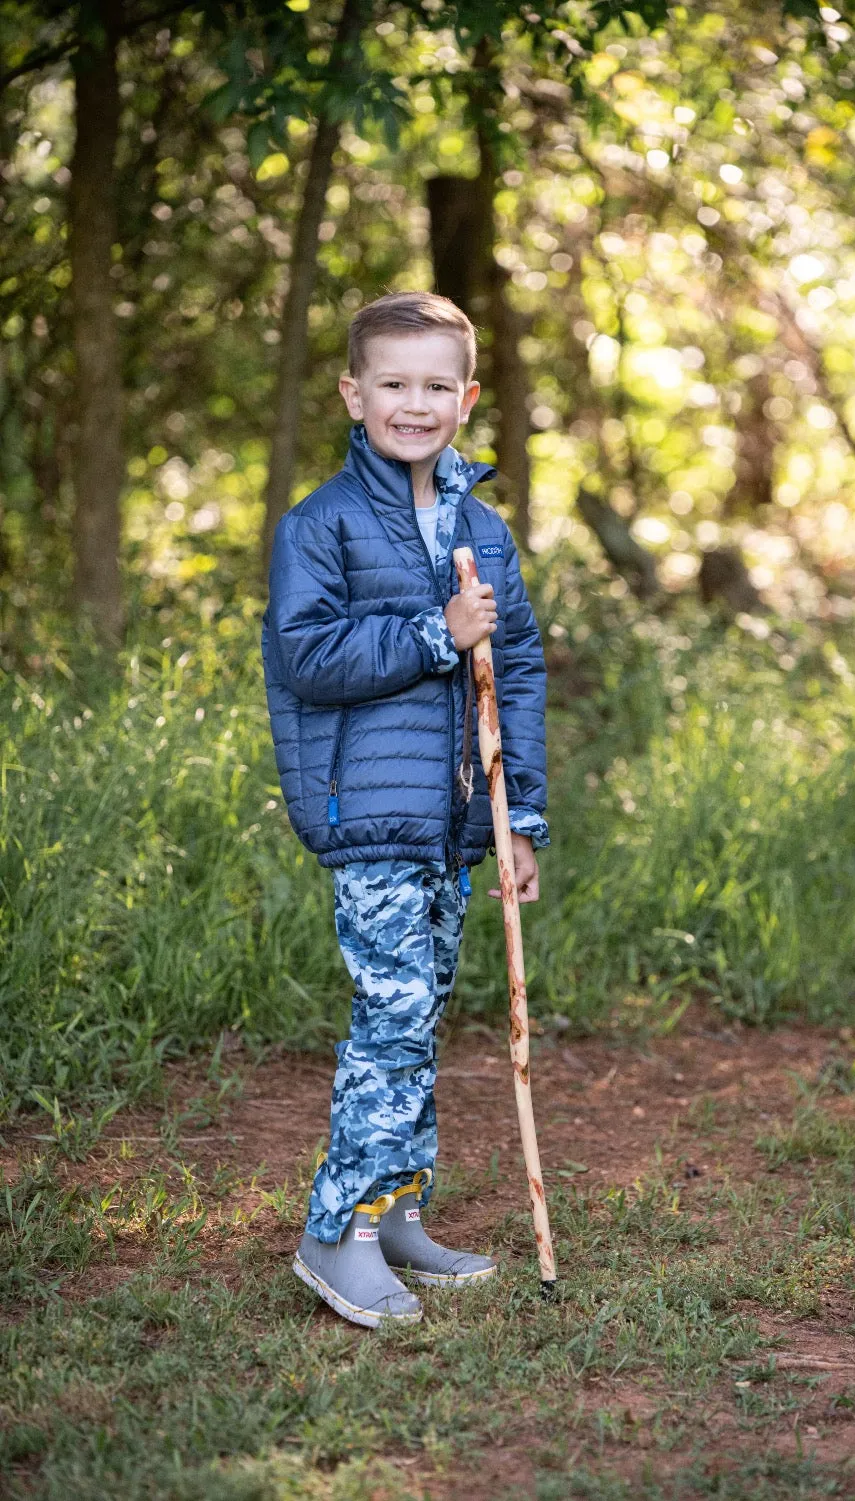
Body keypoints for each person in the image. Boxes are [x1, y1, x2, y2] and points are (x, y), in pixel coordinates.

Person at [261, 291, 549, 1329]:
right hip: (371, 816)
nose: (414, 403)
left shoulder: (481, 528)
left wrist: (519, 821)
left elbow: (513, 669)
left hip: (452, 818)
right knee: (388, 1018)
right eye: (393, 383)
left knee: (419, 1018)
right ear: (354, 392)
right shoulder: (322, 525)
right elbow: (308, 655)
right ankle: (332, 1233)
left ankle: (394, 1212)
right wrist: (435, 631)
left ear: (466, 399)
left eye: (436, 385)